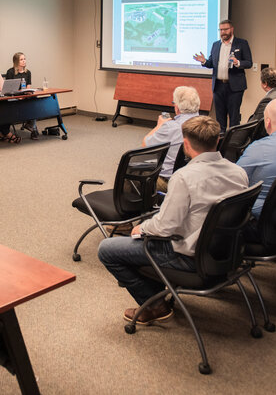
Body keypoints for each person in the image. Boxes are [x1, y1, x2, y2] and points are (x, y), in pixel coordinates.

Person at [98, 116, 249, 324]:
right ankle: (157, 294)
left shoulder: (184, 177)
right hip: (226, 253)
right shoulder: (239, 172)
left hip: (188, 257)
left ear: (185, 144)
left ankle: (154, 304)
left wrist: (141, 229)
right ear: (218, 141)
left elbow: (164, 228)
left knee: (107, 249)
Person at [192, 19, 253, 132]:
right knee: (220, 117)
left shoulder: (242, 43)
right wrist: (204, 61)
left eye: (225, 29)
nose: (223, 32)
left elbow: (249, 63)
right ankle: (220, 139)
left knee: (234, 117)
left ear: (231, 29)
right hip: (218, 86)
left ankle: (233, 142)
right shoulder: (216, 45)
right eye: (221, 30)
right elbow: (211, 63)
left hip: (234, 87)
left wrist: (237, 62)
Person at [142, 86, 202, 192]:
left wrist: (159, 126)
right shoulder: (207, 125)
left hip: (170, 182)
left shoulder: (171, 127)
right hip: (196, 179)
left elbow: (145, 145)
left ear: (177, 107)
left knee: (129, 172)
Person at [5, 52, 39, 139]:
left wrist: (26, 94)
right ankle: (32, 127)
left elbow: (28, 88)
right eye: (21, 59)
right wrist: (19, 96)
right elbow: (9, 89)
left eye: (24, 59)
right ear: (16, 61)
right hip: (13, 97)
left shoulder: (28, 72)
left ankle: (32, 126)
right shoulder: (10, 72)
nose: (24, 61)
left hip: (24, 96)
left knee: (34, 99)